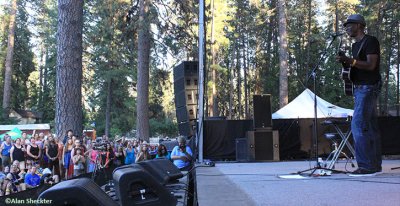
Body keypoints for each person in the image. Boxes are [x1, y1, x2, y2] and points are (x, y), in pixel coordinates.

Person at [336, 14, 382, 176]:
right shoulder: (356, 46)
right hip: (359, 88)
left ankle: (366, 166)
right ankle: (374, 166)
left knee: (358, 125)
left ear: (359, 25)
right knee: (369, 127)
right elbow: (355, 66)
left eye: (350, 25)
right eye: (346, 25)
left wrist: (351, 61)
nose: (347, 28)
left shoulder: (370, 41)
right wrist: (345, 63)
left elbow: (370, 65)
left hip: (368, 87)